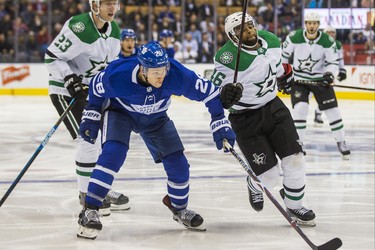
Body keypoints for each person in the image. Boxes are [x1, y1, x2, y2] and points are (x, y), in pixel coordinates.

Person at [76, 41, 236, 239]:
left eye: (163, 69)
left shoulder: (176, 74)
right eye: (155, 72)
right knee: (113, 155)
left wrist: (219, 119)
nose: (161, 76)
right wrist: (92, 112)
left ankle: (179, 208)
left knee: (179, 165)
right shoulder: (119, 74)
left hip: (156, 118)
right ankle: (90, 209)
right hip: (121, 113)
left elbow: (210, 92)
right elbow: (96, 87)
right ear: (142, 69)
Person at [212, 12, 316, 227]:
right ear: (232, 36)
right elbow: (213, 90)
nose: (248, 31)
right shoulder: (227, 58)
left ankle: (295, 205)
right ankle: (254, 183)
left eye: (249, 26)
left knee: (295, 159)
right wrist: (223, 96)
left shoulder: (271, 40)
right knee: (268, 177)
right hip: (245, 118)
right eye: (240, 30)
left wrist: (284, 78)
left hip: (274, 108)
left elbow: (277, 68)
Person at [44, 0, 130, 216]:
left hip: (92, 93)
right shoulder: (79, 27)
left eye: (115, 3)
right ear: (94, 5)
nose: (112, 8)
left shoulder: (115, 30)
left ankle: (99, 188)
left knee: (103, 141)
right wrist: (70, 78)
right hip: (66, 92)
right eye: (106, 3)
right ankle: (86, 195)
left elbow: (109, 66)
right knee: (89, 139)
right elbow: (52, 57)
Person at [281, 12, 350, 160]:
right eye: (309, 23)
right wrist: (283, 75)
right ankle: (299, 143)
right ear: (305, 24)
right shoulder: (294, 37)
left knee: (333, 112)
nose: (311, 26)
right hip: (299, 81)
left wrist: (330, 74)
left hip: (320, 80)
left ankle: (341, 141)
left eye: (314, 23)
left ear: (318, 25)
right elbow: (283, 56)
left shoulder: (327, 40)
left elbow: (332, 61)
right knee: (300, 109)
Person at [313, 25, 347, 127]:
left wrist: (342, 70)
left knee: (326, 96)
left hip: (329, 74)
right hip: (315, 74)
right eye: (329, 32)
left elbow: (340, 59)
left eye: (333, 32)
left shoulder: (337, 44)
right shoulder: (317, 42)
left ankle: (318, 113)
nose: (331, 34)